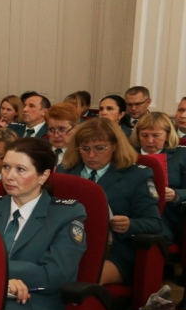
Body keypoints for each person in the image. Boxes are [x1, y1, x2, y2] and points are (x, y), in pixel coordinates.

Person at [0, 138, 87, 310]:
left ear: (43, 176)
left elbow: (53, 274)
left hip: (34, 305)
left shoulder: (67, 214)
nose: (9, 176)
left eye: (20, 169)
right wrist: (2, 281)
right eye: (6, 167)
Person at [58, 118, 163, 285]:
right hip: (67, 244)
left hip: (114, 249)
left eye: (100, 148)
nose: (91, 155)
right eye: (85, 149)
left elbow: (154, 222)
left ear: (114, 146)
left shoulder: (137, 175)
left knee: (80, 280)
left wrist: (130, 224)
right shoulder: (64, 171)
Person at [131, 111, 186, 243]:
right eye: (144, 135)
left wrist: (175, 195)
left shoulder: (182, 155)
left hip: (165, 213)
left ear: (167, 135)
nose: (150, 141)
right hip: (130, 209)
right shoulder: (128, 155)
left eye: (156, 135)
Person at [45, 102, 80, 166]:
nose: (56, 135)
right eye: (51, 129)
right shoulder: (38, 150)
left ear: (76, 129)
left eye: (62, 129)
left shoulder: (82, 154)